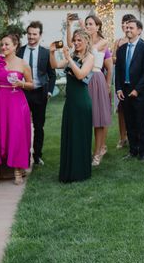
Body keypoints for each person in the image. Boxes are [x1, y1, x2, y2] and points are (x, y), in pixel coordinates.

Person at [0, 35, 33, 186]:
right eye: (2, 44)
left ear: (15, 45)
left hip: (16, 103)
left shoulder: (23, 64)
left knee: (16, 136)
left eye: (7, 44)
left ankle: (17, 172)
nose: (3, 47)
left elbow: (32, 84)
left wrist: (22, 83)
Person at [67, 14, 112, 166]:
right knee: (85, 117)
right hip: (83, 79)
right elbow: (71, 45)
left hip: (96, 78)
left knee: (98, 119)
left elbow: (91, 49)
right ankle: (84, 150)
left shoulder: (103, 41)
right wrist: (70, 27)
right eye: (86, 23)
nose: (88, 26)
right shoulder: (81, 40)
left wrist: (108, 84)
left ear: (98, 26)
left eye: (91, 24)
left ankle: (98, 152)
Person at [50, 30, 95, 183]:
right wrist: (52, 53)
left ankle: (81, 172)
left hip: (82, 102)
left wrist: (69, 59)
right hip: (70, 102)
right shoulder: (73, 56)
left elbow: (81, 75)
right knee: (70, 135)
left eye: (79, 40)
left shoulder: (90, 57)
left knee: (80, 135)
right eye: (75, 40)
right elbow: (55, 65)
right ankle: (68, 171)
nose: (76, 43)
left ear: (86, 41)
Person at [17, 21, 56, 166]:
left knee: (39, 126)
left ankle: (37, 155)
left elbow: (52, 75)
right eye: (29, 34)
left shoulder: (46, 53)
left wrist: (50, 92)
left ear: (40, 35)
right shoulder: (19, 51)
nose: (31, 37)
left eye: (34, 34)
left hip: (40, 94)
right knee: (22, 126)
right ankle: (24, 156)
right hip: (23, 93)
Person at [115, 19, 144, 161]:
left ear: (139, 30)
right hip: (124, 91)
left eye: (131, 28)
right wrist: (118, 88)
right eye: (126, 28)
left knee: (140, 122)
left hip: (142, 92)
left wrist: (137, 90)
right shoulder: (121, 49)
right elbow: (118, 71)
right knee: (129, 122)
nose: (128, 30)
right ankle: (133, 150)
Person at [112, 13, 137, 148]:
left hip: (133, 81)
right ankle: (123, 137)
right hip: (121, 78)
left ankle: (134, 135)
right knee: (121, 109)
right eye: (124, 22)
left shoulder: (139, 42)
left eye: (128, 23)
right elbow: (113, 59)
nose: (125, 25)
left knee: (134, 109)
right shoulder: (118, 42)